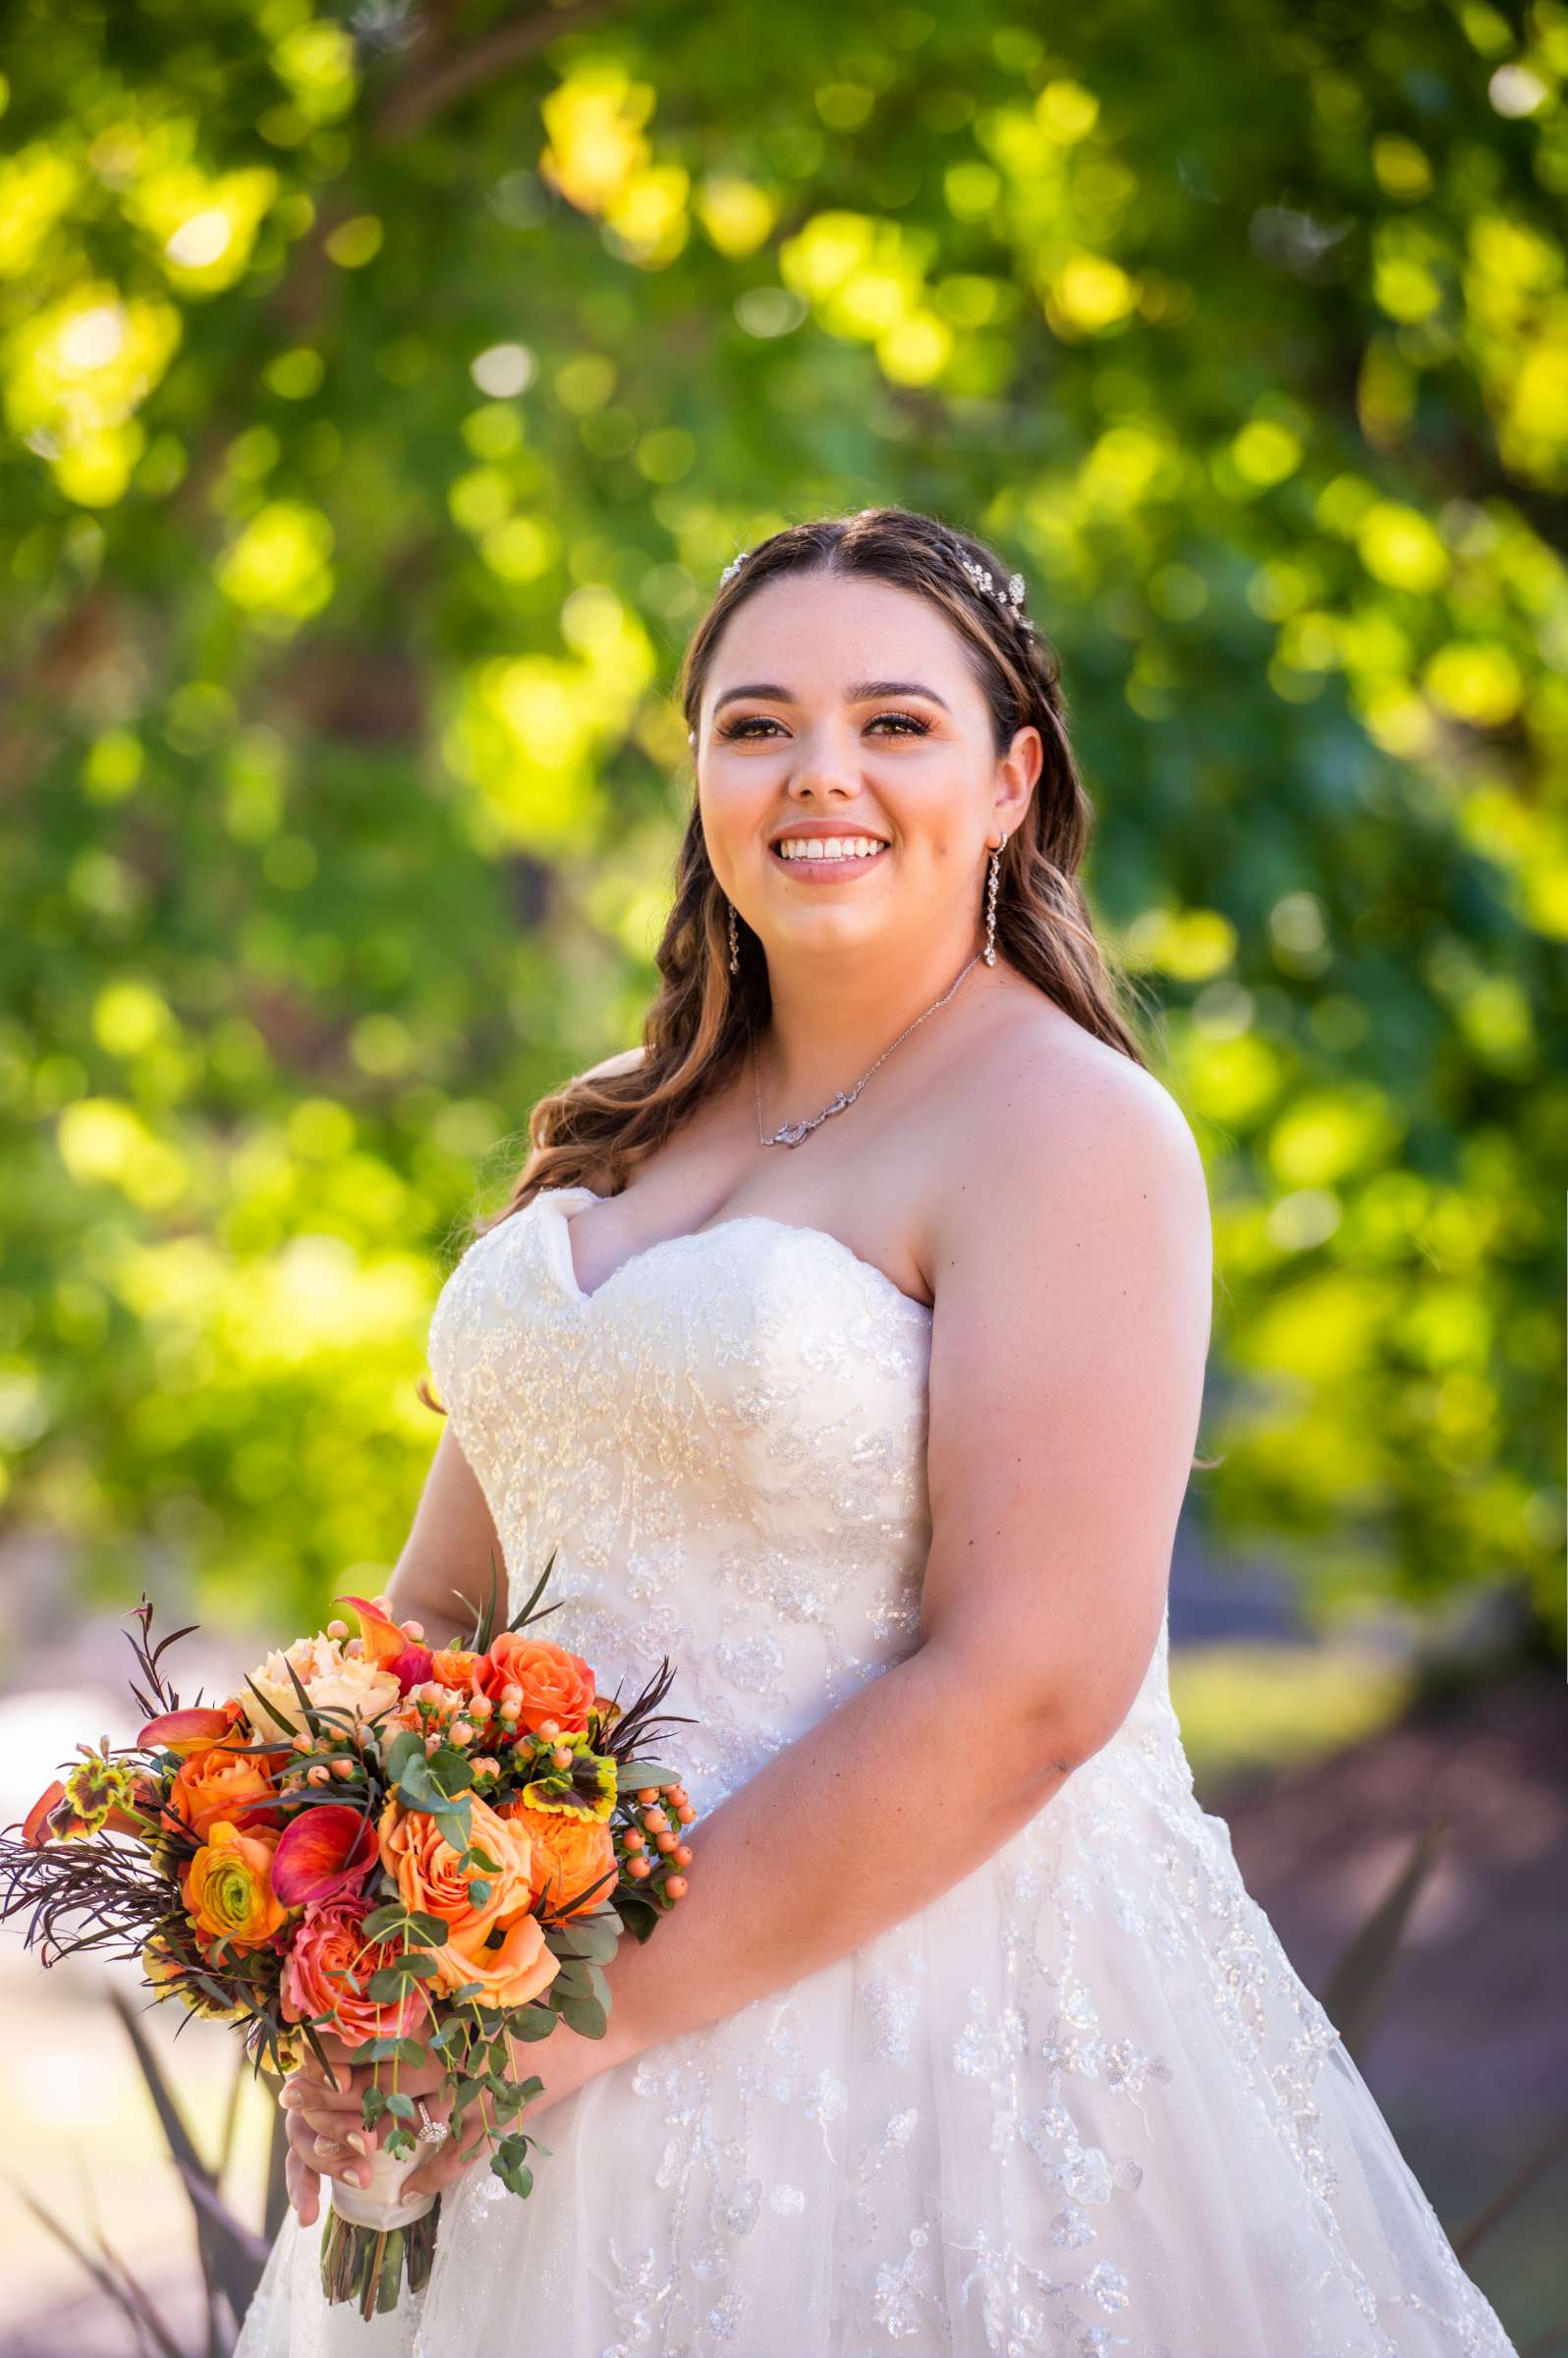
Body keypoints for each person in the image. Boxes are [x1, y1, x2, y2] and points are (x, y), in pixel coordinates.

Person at [233, 506, 1518, 2356]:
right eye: (756, 726)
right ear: (699, 776)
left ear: (1009, 783)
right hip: (511, 2033)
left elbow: (1036, 1681)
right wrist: (358, 1961)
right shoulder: (620, 1115)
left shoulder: (1066, 1130)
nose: (817, 773)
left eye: (893, 725)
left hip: (913, 2027)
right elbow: (445, 1606)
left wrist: (574, 2023)